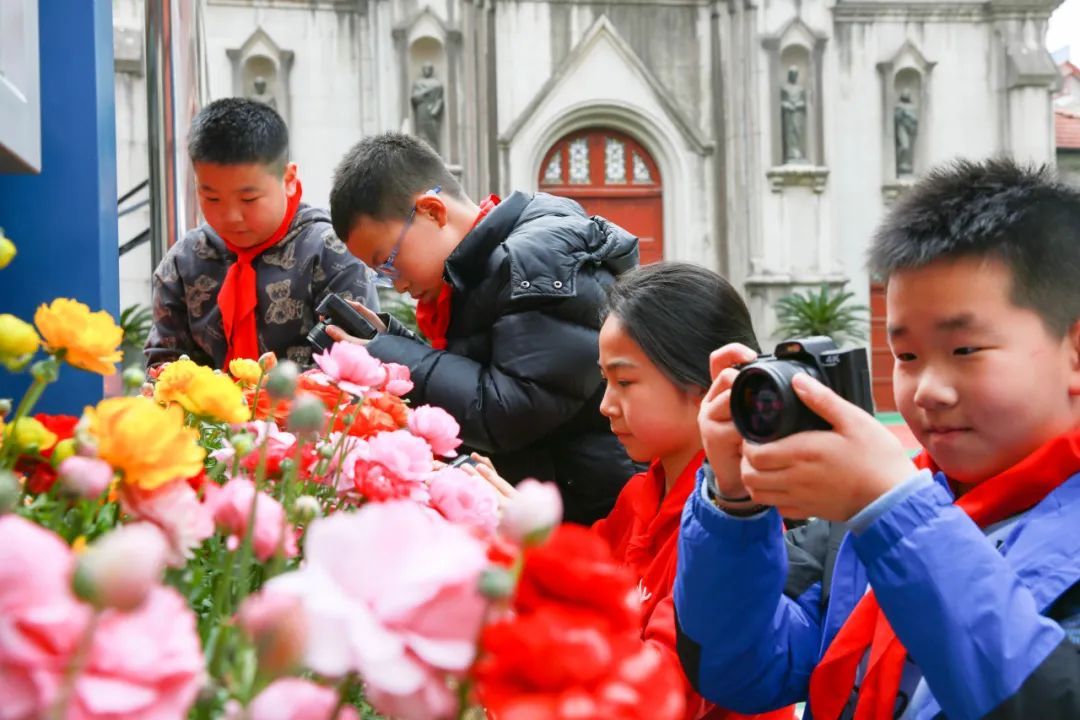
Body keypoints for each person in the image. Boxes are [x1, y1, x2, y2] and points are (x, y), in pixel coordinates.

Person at [674, 158, 1080, 718]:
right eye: (907, 356)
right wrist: (733, 504)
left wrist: (893, 510)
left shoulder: (888, 506)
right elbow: (741, 669)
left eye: (964, 350)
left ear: (1074, 350)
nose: (929, 389)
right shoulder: (866, 517)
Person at [473, 262, 793, 720]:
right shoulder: (639, 496)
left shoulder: (737, 529)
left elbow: (662, 688)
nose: (605, 405)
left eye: (624, 382)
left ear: (706, 382)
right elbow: (581, 591)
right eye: (606, 380)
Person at [327, 132, 639, 524]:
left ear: (432, 212)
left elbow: (510, 411)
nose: (399, 284)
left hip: (593, 515)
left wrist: (390, 356)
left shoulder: (534, 262)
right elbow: (491, 374)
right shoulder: (481, 270)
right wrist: (390, 341)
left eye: (389, 262)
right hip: (552, 503)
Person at [145, 97, 378, 369]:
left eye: (248, 199)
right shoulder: (185, 262)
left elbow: (357, 366)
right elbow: (164, 365)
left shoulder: (331, 252)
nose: (231, 217)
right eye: (212, 198)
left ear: (289, 180)